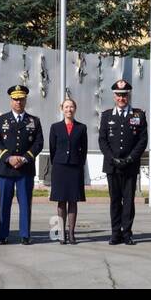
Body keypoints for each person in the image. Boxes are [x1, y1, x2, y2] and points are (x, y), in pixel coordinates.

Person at [0, 84, 43, 245]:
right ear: (11, 101)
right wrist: (8, 157)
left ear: (25, 100)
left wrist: (25, 158)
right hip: (5, 168)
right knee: (4, 203)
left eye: (21, 99)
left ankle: (25, 235)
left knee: (25, 203)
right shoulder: (1, 120)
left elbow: (38, 143)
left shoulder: (34, 121)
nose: (18, 102)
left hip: (25, 169)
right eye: (15, 99)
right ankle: (2, 235)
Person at [99, 79, 147, 245]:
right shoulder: (106, 115)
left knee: (128, 201)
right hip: (112, 166)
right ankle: (115, 233)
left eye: (124, 95)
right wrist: (112, 158)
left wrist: (130, 158)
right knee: (114, 201)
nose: (121, 98)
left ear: (129, 95)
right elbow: (102, 140)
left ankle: (127, 233)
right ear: (114, 96)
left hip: (130, 165)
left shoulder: (138, 115)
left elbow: (142, 140)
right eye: (119, 95)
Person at [48, 97, 87, 245]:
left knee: (73, 200)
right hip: (60, 167)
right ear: (61, 109)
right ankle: (61, 232)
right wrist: (57, 162)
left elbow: (84, 148)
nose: (68, 110)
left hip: (75, 167)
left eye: (71, 107)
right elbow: (53, 148)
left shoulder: (81, 127)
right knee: (61, 201)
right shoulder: (55, 127)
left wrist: (79, 163)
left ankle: (71, 233)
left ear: (75, 109)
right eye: (66, 107)